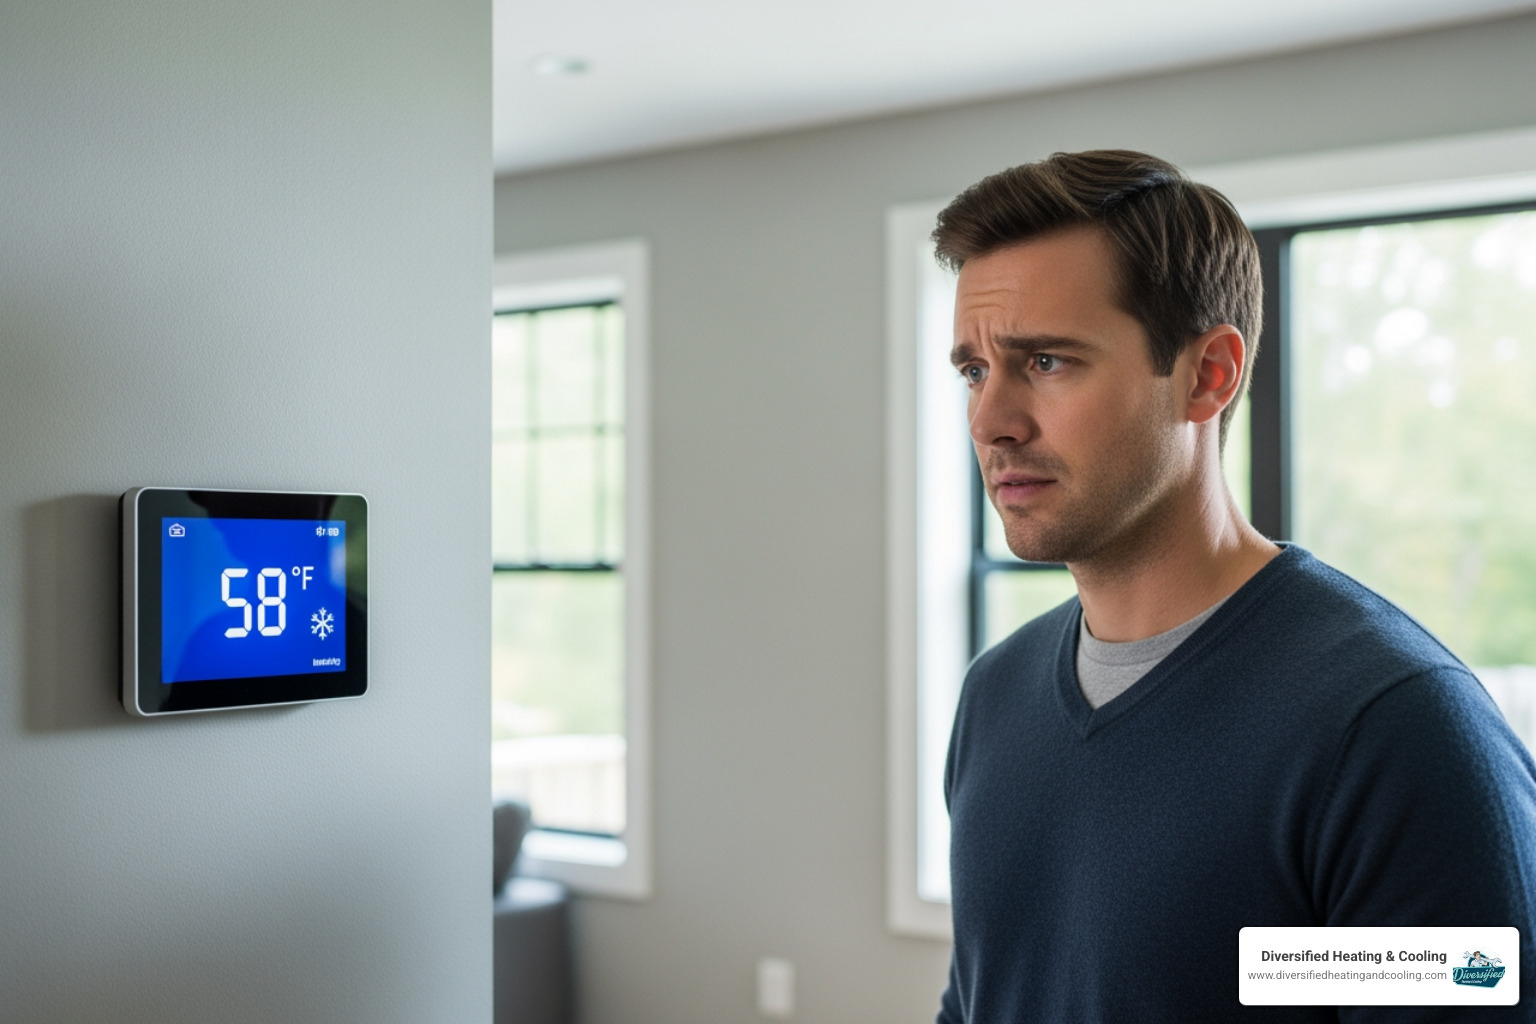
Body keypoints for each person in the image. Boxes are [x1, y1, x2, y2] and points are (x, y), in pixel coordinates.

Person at [931, 150, 1536, 1022]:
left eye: (1048, 362)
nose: (989, 421)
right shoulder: (996, 698)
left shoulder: (1385, 730)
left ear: (1208, 375)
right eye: (974, 371)